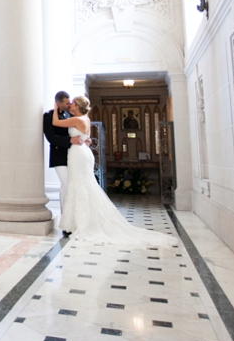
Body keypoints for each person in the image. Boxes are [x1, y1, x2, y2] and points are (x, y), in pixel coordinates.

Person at [53, 96, 171, 245]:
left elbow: (56, 122)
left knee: (79, 185)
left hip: (78, 154)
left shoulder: (77, 120)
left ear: (78, 106)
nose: (71, 105)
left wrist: (56, 107)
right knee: (84, 185)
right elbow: (86, 137)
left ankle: (82, 223)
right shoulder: (85, 119)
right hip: (83, 152)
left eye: (73, 103)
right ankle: (81, 221)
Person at [43, 91, 83, 237]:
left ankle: (71, 219)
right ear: (58, 103)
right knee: (66, 185)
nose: (70, 104)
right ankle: (66, 222)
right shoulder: (48, 116)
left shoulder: (68, 116)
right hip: (59, 156)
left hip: (72, 156)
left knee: (69, 186)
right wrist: (68, 141)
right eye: (67, 103)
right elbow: (51, 137)